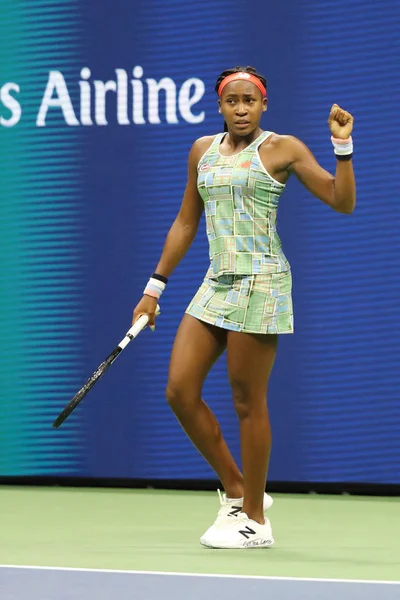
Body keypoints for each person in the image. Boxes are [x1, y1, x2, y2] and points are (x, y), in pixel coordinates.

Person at [132, 65, 355, 549]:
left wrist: (343, 147)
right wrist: (155, 288)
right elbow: (186, 223)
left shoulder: (283, 149)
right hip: (216, 282)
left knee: (246, 400)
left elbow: (342, 201)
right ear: (219, 105)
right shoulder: (201, 152)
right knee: (179, 390)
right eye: (231, 101)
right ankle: (236, 488)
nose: (240, 108)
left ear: (263, 104)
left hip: (263, 283)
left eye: (249, 101)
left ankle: (255, 519)